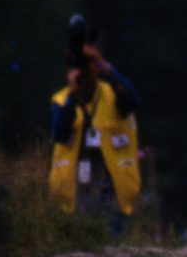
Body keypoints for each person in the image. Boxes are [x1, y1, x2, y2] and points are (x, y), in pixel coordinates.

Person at [49, 15, 141, 236]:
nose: (82, 71)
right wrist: (72, 96)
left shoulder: (112, 95)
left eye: (87, 65)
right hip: (75, 191)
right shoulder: (61, 100)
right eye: (76, 66)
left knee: (110, 244)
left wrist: (104, 66)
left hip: (110, 189)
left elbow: (133, 99)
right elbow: (59, 133)